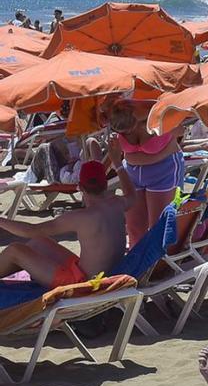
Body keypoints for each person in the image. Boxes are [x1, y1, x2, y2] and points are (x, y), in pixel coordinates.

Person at [0, 161, 127, 289]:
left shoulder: (82, 217)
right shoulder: (118, 203)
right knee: (39, 242)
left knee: (15, 250)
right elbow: (132, 194)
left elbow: (30, 230)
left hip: (84, 284)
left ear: (80, 187)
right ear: (105, 185)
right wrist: (119, 165)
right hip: (103, 274)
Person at [106, 100, 186, 245]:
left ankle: (159, 264)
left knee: (159, 226)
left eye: (127, 131)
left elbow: (180, 131)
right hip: (134, 175)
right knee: (134, 228)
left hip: (163, 173)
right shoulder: (120, 123)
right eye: (120, 132)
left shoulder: (156, 121)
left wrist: (163, 149)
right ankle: (137, 262)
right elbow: (124, 156)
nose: (125, 134)